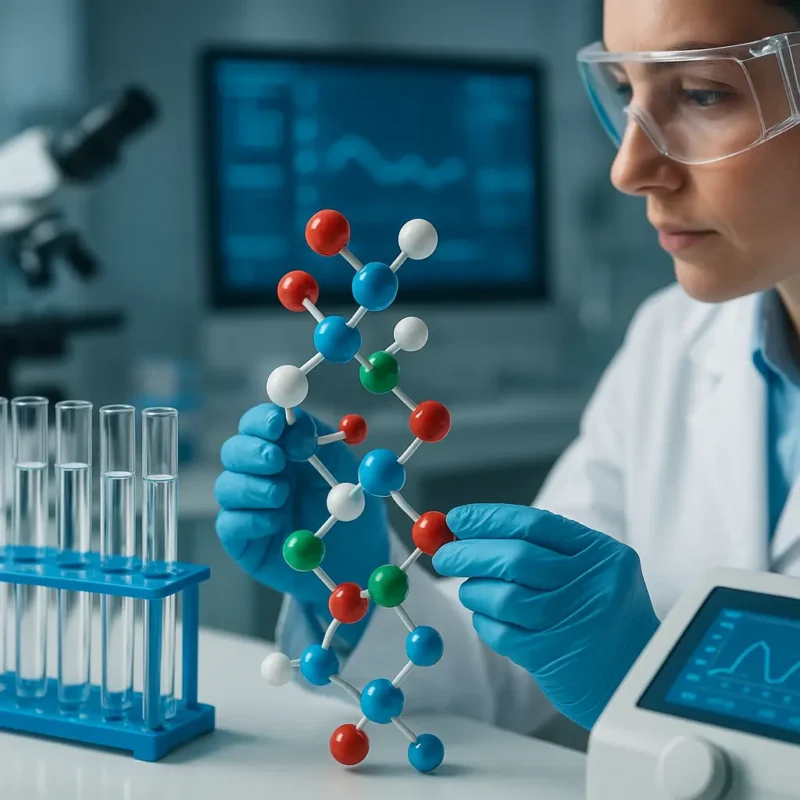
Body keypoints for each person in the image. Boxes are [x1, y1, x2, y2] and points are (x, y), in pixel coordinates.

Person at [214, 0, 800, 737]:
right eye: (624, 92)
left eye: (703, 93)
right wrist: (358, 582)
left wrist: (659, 678)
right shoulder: (670, 342)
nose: (629, 167)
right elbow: (497, 675)